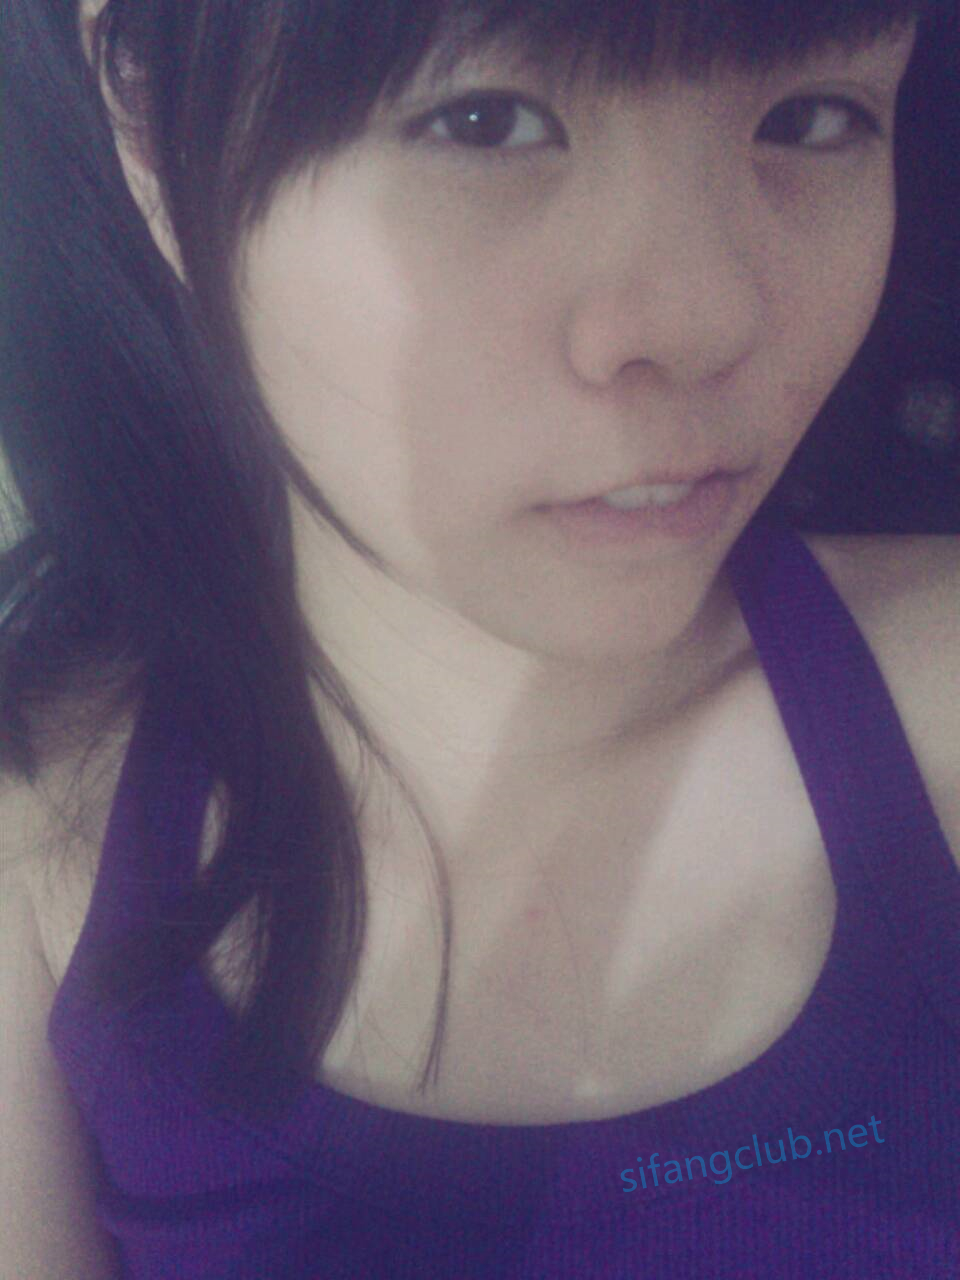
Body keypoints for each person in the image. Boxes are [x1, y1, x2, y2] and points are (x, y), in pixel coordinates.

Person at [1, 1, 958, 1276]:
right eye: (485, 120)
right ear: (148, 123)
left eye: (814, 117)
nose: (705, 318)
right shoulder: (38, 845)